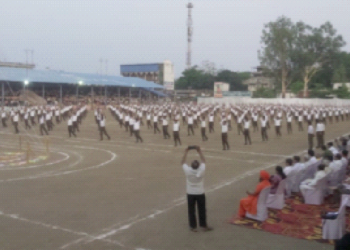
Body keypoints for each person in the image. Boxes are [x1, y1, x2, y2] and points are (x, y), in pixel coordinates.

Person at [181, 146, 212, 232]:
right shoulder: (201, 170)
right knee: (202, 209)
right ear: (198, 166)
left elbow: (183, 162)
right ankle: (203, 225)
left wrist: (186, 152)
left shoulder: (188, 171)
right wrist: (199, 152)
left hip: (190, 193)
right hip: (200, 192)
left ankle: (192, 226)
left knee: (191, 210)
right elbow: (203, 161)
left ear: (191, 166)